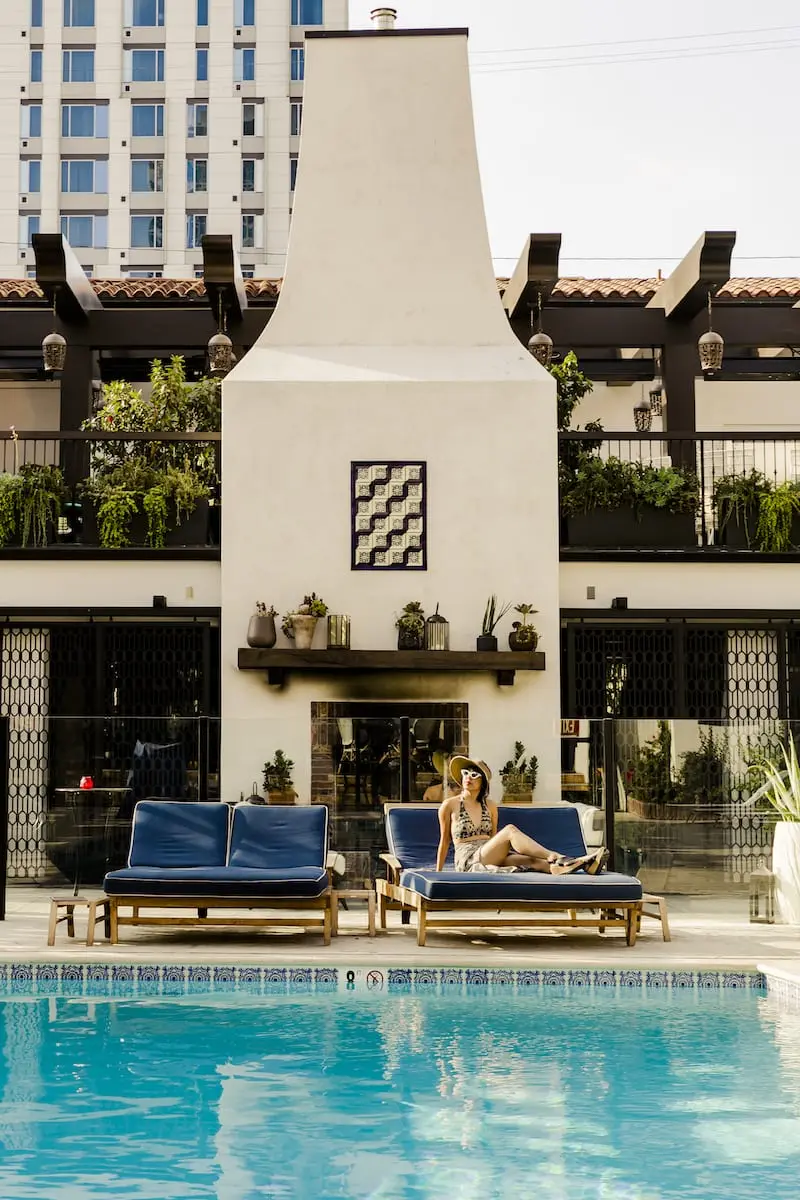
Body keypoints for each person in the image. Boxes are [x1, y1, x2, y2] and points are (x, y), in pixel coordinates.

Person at [436, 756, 606, 875]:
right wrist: (438, 874)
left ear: (483, 783)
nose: (468, 778)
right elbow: (444, 841)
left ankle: (583, 864)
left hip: (489, 853)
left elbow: (493, 838)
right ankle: (556, 855)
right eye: (465, 773)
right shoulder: (450, 805)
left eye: (474, 775)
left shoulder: (490, 806)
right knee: (510, 830)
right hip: (469, 860)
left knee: (534, 862)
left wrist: (508, 855)